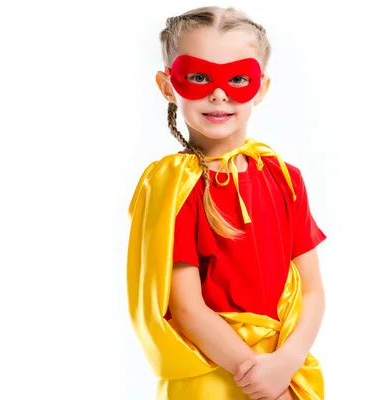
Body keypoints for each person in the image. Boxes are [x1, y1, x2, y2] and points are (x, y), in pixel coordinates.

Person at [126, 6, 327, 400]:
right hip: (213, 376)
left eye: (237, 78)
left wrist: (286, 364)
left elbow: (312, 291)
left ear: (261, 88)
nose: (218, 93)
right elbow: (186, 307)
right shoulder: (173, 185)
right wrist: (262, 382)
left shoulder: (285, 178)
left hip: (285, 370)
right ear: (168, 85)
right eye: (199, 77)